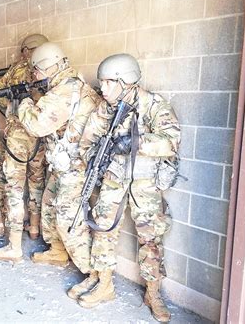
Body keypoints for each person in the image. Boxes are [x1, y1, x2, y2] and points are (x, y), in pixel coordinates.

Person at [77, 54, 180, 321]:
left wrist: (136, 143)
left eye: (109, 83)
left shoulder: (154, 105)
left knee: (151, 238)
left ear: (127, 81)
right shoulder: (105, 108)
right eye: (102, 83)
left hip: (145, 183)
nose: (103, 88)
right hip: (113, 179)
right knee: (102, 229)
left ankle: (153, 292)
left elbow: (171, 141)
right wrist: (95, 161)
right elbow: (87, 141)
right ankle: (105, 284)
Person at [17, 42, 101, 272]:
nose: (34, 75)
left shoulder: (64, 90)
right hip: (65, 163)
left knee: (67, 216)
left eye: (36, 70)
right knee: (49, 203)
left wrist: (24, 103)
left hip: (76, 166)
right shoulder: (68, 85)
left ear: (47, 67)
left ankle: (92, 272)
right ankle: (58, 250)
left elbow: (36, 125)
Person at [0, 34, 48, 262]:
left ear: (27, 50)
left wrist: (13, 111)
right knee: (37, 181)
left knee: (13, 188)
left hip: (19, 137)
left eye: (24, 50)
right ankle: (34, 228)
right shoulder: (49, 70)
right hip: (40, 137)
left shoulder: (19, 68)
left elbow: (0, 94)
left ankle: (14, 246)